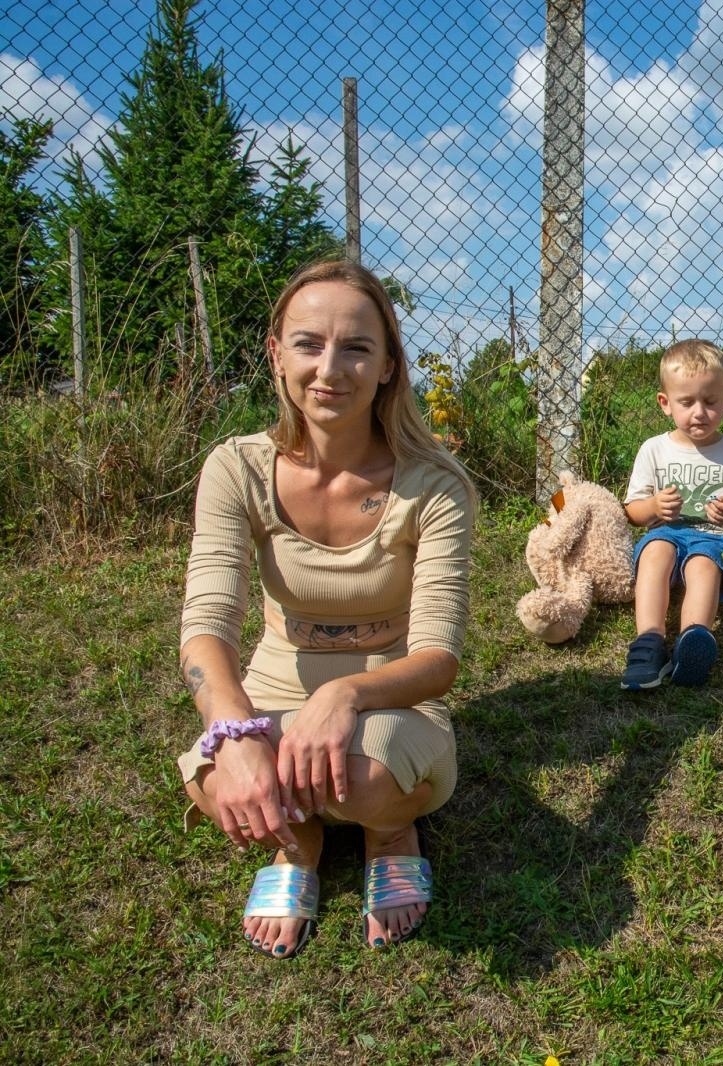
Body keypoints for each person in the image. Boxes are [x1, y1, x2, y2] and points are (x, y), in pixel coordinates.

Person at [177, 259, 477, 957]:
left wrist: (344, 694)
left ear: (387, 367)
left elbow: (438, 659)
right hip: (275, 685)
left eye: (357, 348)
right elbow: (206, 627)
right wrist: (234, 730)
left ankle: (390, 830)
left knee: (364, 777)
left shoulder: (434, 485)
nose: (330, 368)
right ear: (276, 355)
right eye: (309, 343)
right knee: (215, 779)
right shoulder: (236, 468)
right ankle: (299, 843)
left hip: (393, 694)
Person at [620, 339, 723, 689]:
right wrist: (654, 507)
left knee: (702, 564)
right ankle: (648, 642)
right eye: (686, 402)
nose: (699, 412)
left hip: (716, 540)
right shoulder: (654, 450)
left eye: (710, 401)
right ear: (665, 403)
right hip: (666, 534)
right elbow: (633, 510)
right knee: (655, 552)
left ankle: (692, 640)